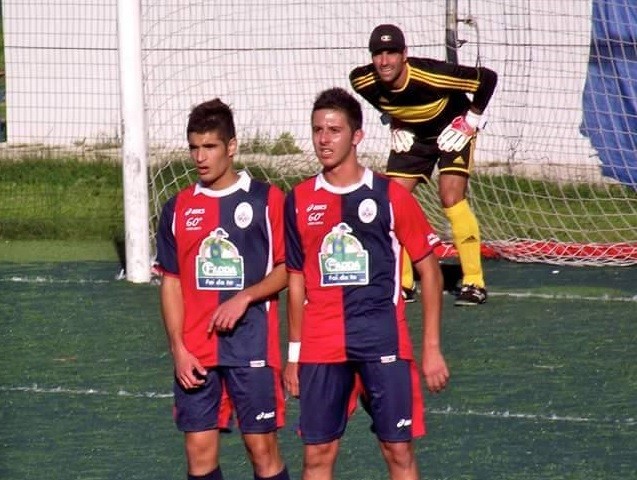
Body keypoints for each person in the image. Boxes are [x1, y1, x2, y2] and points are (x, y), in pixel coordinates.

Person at [283, 87, 450, 480]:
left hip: (383, 339)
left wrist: (431, 348)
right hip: (322, 344)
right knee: (317, 455)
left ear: (357, 136)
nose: (324, 139)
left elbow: (430, 270)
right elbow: (294, 280)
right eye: (317, 130)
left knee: (398, 451)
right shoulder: (299, 199)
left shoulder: (390, 196)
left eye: (334, 130)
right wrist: (293, 354)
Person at [155, 98, 290, 480]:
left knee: (261, 449)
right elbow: (171, 282)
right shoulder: (178, 208)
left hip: (252, 345)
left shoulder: (267, 200)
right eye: (194, 147)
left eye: (210, 146)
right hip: (196, 351)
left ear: (231, 147)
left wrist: (245, 296)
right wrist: (178, 349)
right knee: (199, 453)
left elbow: (287, 270)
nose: (201, 156)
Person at [349, 24, 498, 306]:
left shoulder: (432, 74)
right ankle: (403, 283)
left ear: (404, 54)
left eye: (392, 53)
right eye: (378, 54)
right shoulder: (361, 81)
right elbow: (384, 102)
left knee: (450, 197)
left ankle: (474, 283)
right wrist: (394, 121)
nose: (385, 61)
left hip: (452, 130)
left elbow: (487, 79)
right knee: (392, 200)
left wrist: (471, 121)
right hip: (415, 138)